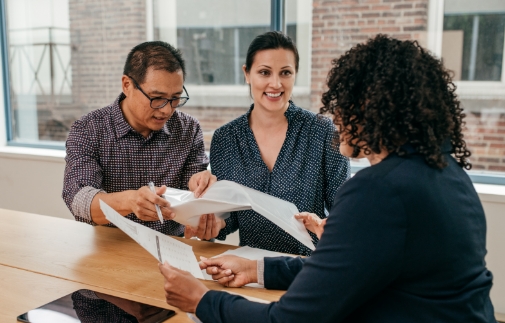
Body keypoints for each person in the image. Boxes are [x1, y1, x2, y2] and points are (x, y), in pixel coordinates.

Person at [158, 35, 496, 322]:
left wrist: (202, 302)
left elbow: (290, 318)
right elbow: (348, 270)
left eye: (342, 103)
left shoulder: (379, 189)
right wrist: (256, 270)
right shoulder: (445, 172)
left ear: (370, 108)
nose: (335, 115)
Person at [185, 31, 350, 256]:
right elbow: (230, 218)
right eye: (264, 72)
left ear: (295, 75)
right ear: (247, 74)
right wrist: (214, 223)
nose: (275, 83)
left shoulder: (322, 131)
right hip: (247, 268)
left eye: (285, 73)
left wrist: (326, 227)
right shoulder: (226, 139)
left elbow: (344, 211)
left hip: (309, 269)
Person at [63, 41, 215, 236]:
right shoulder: (88, 129)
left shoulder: (188, 128)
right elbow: (79, 201)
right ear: (127, 85)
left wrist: (201, 190)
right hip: (110, 251)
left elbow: (192, 199)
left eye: (175, 98)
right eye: (157, 97)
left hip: (173, 250)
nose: (167, 110)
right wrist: (130, 201)